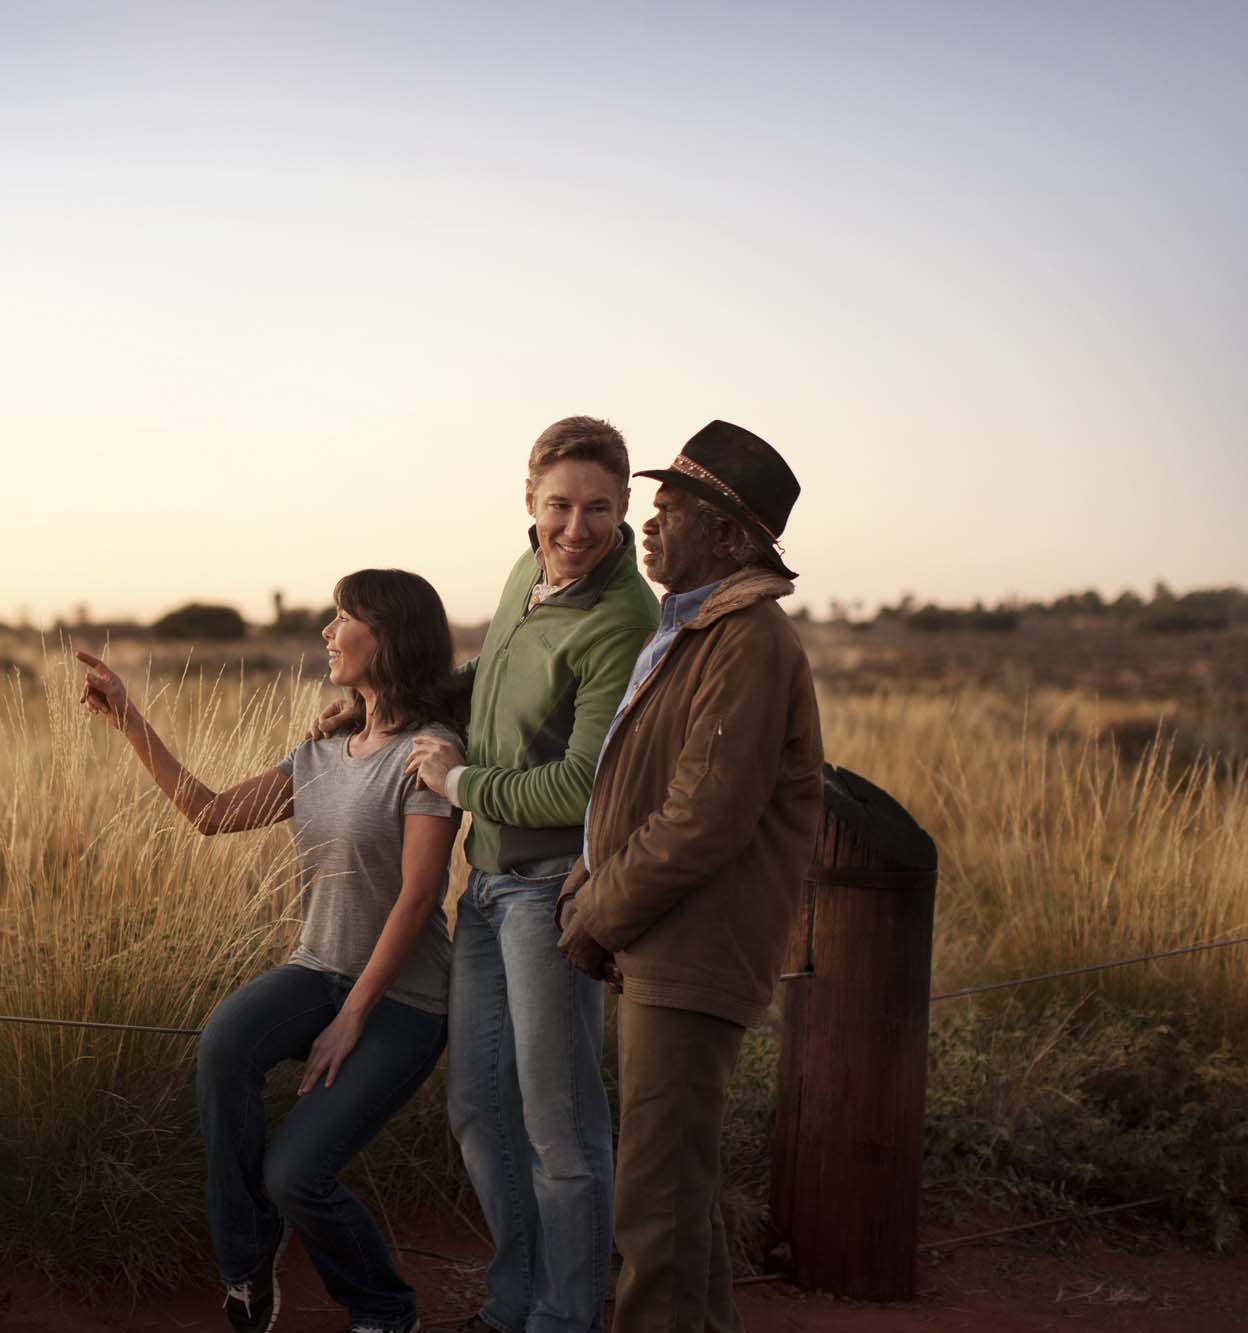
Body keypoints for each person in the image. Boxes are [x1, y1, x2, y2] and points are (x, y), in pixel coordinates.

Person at [78, 568, 465, 1333]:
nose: (327, 630)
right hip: (316, 968)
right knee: (224, 1041)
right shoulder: (318, 751)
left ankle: (385, 1307)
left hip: (402, 1000)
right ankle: (247, 1269)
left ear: (387, 635)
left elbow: (419, 897)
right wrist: (129, 719)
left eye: (344, 617)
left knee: (297, 1176)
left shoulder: (428, 752)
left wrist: (352, 1018)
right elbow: (210, 813)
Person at [555, 420, 824, 1333]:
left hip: (693, 944)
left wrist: (600, 907)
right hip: (668, 938)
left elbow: (705, 815)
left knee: (657, 1210)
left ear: (729, 532)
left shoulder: (745, 639)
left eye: (672, 509)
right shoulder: (699, 630)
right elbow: (646, 791)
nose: (649, 524)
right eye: (656, 506)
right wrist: (591, 884)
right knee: (679, 1202)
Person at [400, 416, 660, 1333]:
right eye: (559, 505)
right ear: (530, 500)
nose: (575, 527)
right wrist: (412, 707)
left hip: (552, 891)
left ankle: (564, 1319)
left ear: (624, 506)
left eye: (597, 507)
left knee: (560, 1129)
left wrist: (458, 780)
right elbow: (491, 680)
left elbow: (584, 784)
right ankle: (515, 1302)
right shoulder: (528, 571)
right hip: (486, 885)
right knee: (478, 1106)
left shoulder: (624, 617)